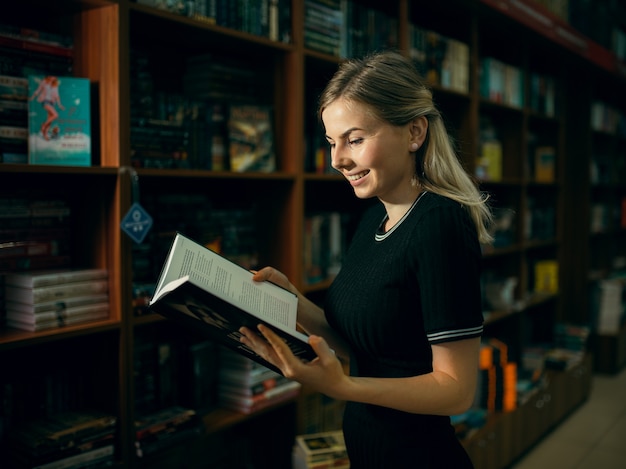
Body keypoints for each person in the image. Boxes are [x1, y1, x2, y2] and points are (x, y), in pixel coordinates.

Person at [239, 50, 493, 468]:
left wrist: (346, 387)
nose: (338, 159)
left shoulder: (440, 224)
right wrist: (293, 301)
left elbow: (457, 390)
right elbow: (366, 345)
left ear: (414, 132)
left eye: (355, 140)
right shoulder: (374, 215)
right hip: (369, 449)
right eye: (331, 142)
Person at [29, 75, 64, 140]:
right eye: (52, 76)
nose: (53, 78)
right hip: (45, 101)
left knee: (50, 119)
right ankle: (43, 126)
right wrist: (32, 97)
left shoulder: (55, 84)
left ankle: (45, 135)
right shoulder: (44, 82)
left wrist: (59, 105)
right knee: (55, 115)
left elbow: (57, 95)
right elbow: (38, 90)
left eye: (54, 77)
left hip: (52, 102)